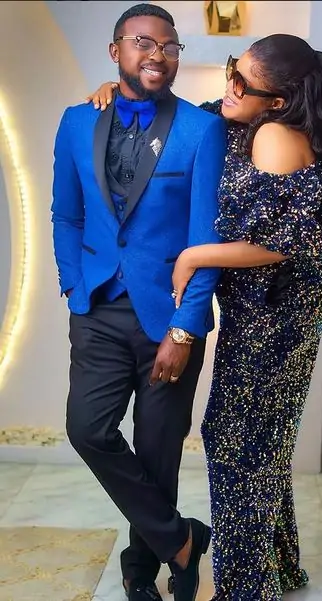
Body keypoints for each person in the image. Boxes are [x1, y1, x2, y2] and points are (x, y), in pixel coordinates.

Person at [88, 32, 322, 600]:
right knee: (260, 443)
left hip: (279, 312)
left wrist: (194, 255)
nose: (228, 86)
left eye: (241, 82)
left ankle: (247, 587)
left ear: (277, 101)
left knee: (238, 441)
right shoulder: (239, 119)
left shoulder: (274, 135)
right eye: (233, 68)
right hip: (257, 306)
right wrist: (119, 91)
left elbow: (283, 243)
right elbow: (181, 115)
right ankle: (275, 568)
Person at [51, 4, 227, 601]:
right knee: (88, 430)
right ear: (116, 51)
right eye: (144, 43)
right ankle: (182, 540)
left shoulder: (201, 130)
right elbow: (66, 214)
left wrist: (184, 329)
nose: (158, 55)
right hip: (98, 308)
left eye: (170, 46)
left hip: (168, 317)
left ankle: (142, 570)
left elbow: (205, 241)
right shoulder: (78, 121)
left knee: (157, 453)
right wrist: (74, 284)